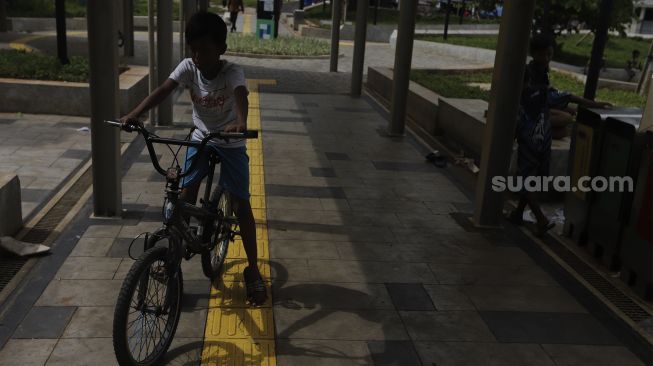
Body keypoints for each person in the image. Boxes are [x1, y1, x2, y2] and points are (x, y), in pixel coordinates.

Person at [120, 11, 267, 305]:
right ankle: (172, 259)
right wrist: (136, 114)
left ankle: (253, 269)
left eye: (207, 50)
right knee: (183, 198)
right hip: (202, 136)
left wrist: (241, 121)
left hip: (231, 141)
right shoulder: (188, 68)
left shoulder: (231, 72)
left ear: (222, 50)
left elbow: (241, 95)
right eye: (194, 50)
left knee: (240, 205)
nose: (199, 57)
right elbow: (164, 89)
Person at [509, 34, 610, 237]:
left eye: (549, 54)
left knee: (525, 177)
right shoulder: (531, 76)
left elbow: (555, 96)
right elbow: (558, 96)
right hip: (538, 133)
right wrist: (592, 104)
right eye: (543, 54)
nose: (546, 58)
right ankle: (528, 215)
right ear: (533, 54)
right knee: (528, 176)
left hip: (535, 134)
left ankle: (535, 217)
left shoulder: (537, 77)